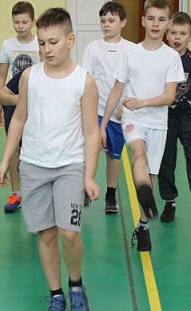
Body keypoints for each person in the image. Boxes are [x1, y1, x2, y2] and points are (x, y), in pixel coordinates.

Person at [0, 7, 99, 311]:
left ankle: (76, 285)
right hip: (33, 166)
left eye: (53, 42)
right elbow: (20, 118)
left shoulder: (84, 81)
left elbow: (91, 132)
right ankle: (56, 294)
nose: (46, 49)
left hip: (70, 166)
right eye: (41, 43)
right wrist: (6, 158)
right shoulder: (30, 77)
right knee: (46, 234)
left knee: (69, 233)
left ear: (70, 40)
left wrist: (89, 176)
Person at [100, 0, 184, 252]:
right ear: (143, 21)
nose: (156, 24)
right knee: (138, 153)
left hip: (158, 122)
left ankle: (143, 225)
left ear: (169, 24)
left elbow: (169, 96)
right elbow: (116, 90)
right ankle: (144, 189)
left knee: (151, 173)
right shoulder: (131, 54)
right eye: (151, 18)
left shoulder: (171, 57)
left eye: (161, 19)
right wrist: (103, 125)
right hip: (133, 117)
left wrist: (143, 101)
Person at [158, 12, 191, 223]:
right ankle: (169, 201)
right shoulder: (161, 59)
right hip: (165, 116)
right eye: (173, 33)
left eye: (183, 33)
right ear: (167, 35)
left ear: (190, 36)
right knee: (166, 159)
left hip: (186, 115)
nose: (177, 38)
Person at [82, 1, 134, 214]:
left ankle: (110, 195)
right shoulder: (93, 48)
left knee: (113, 155)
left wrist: (125, 105)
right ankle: (85, 188)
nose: (106, 24)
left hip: (117, 114)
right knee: (87, 150)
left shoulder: (131, 49)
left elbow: (133, 80)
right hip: (95, 110)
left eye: (111, 20)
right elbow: (87, 79)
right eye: (103, 20)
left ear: (123, 22)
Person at [0, 1, 40, 213]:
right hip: (14, 101)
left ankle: (36, 191)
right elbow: (1, 75)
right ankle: (16, 192)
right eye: (16, 22)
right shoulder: (7, 45)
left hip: (36, 103)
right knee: (13, 148)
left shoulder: (39, 44)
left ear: (33, 22)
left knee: (34, 146)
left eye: (24, 22)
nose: (20, 26)